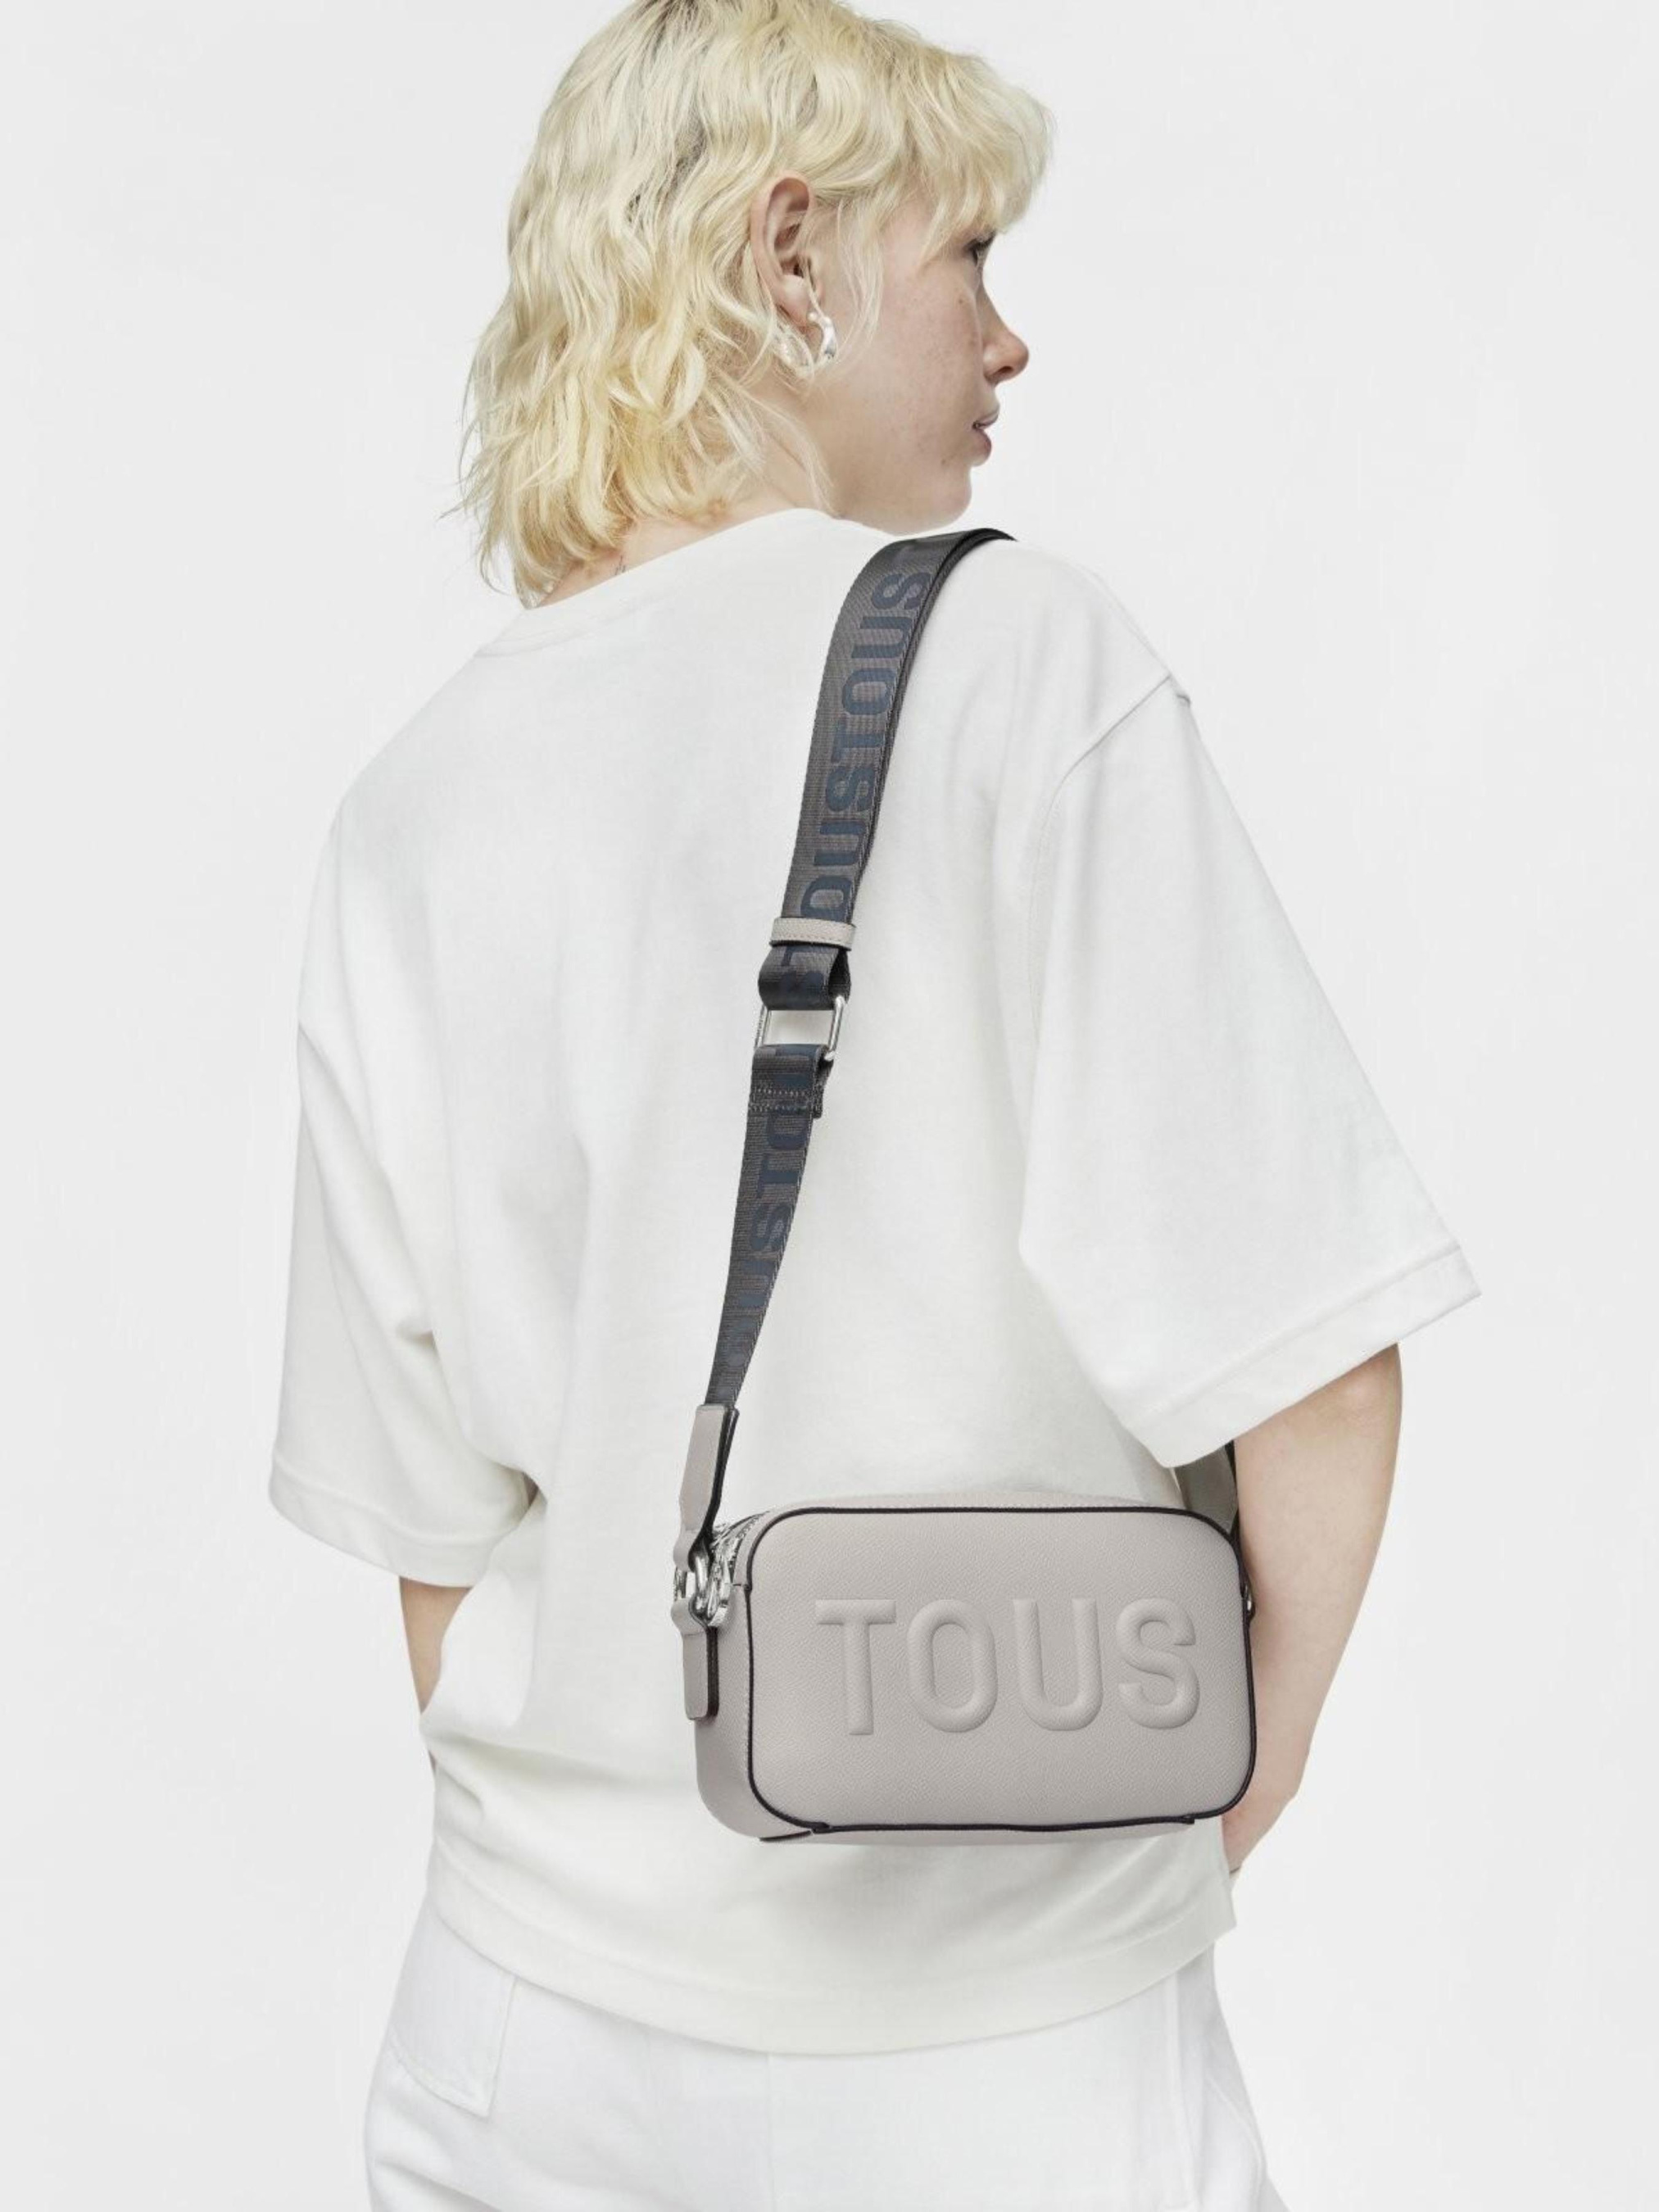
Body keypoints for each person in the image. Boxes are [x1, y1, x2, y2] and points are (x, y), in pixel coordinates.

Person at [266, 2, 1480, 2205]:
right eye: (971, 258)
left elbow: (437, 1544)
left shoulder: (410, 804)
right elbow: (1311, 1368)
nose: (1009, 343)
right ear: (786, 255)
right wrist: (1210, 1812)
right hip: (1002, 2055)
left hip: (521, 2034)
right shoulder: (1023, 661)